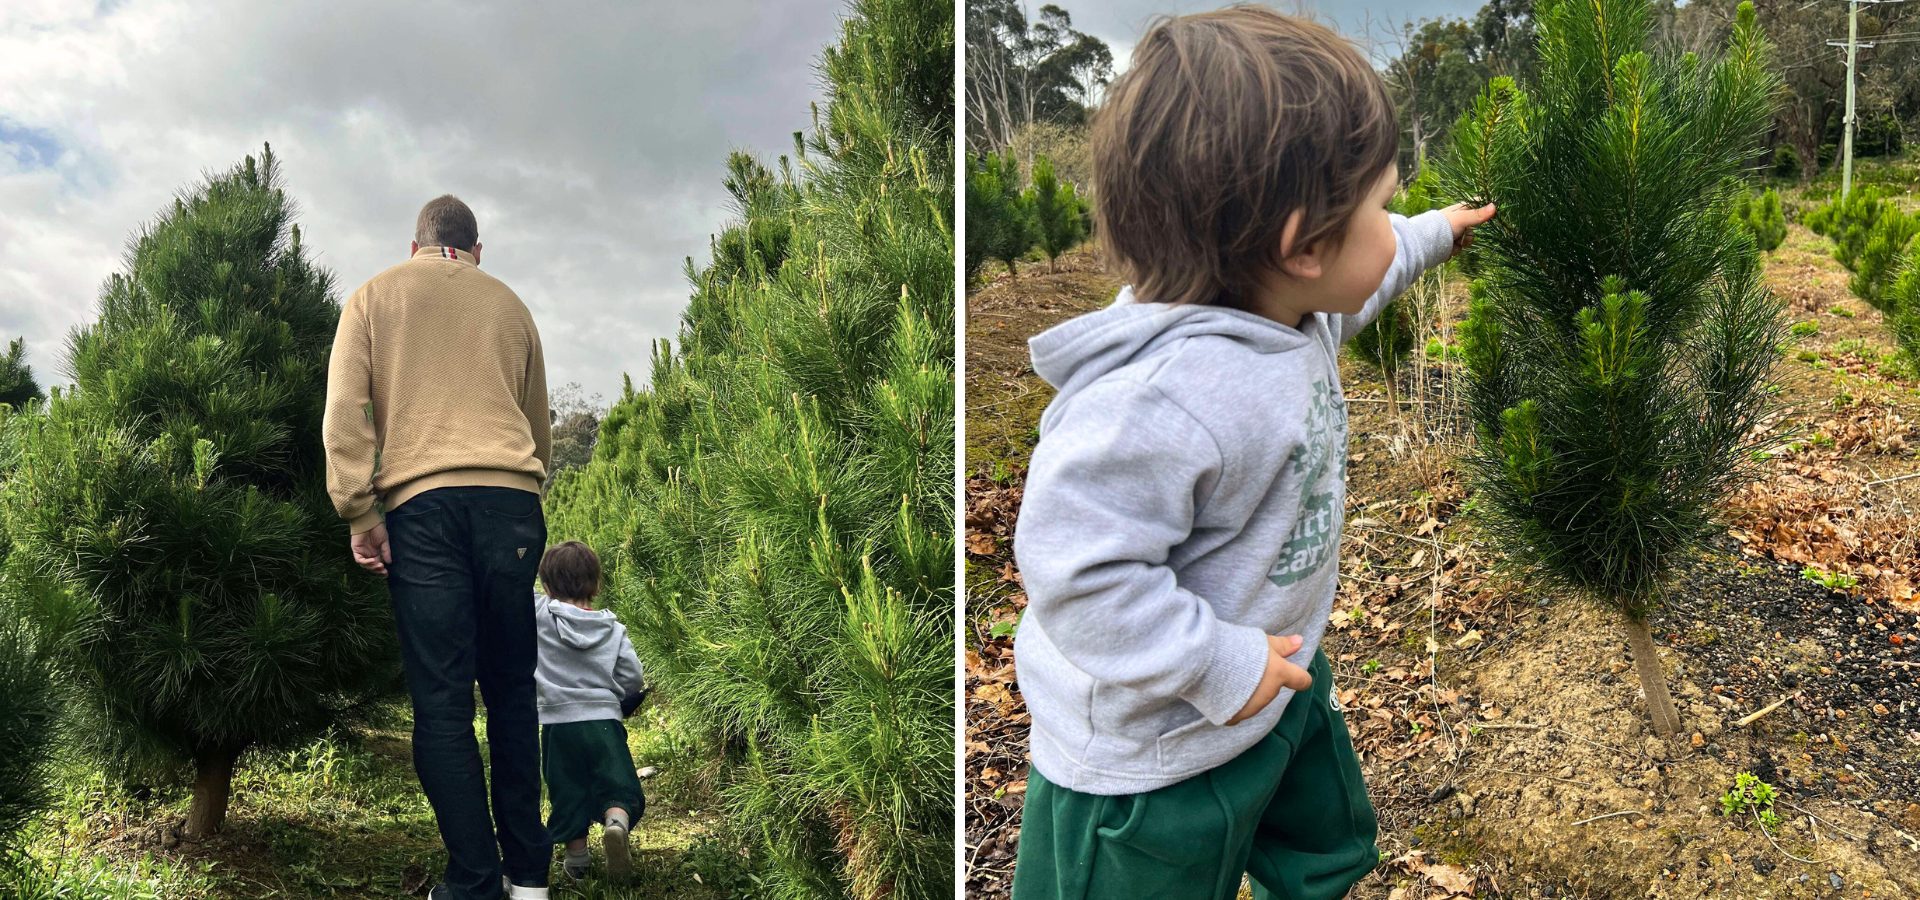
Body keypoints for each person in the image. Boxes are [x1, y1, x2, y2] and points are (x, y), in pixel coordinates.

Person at [1006, 8, 1495, 899]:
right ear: (1302, 245)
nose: (1394, 222)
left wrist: (1435, 232)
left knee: (1326, 848)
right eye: (1384, 205)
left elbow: (1373, 273)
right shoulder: (1159, 398)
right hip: (1153, 759)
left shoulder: (1291, 310)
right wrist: (1217, 666)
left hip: (1272, 679)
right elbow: (1078, 572)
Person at [322, 195, 552, 900]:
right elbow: (537, 421)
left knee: (444, 705)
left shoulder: (373, 297)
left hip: (424, 507)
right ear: (477, 251)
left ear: (414, 245)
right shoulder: (510, 305)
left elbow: (345, 413)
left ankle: (474, 880)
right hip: (511, 502)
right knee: (512, 693)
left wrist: (360, 511)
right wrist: (523, 498)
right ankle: (529, 875)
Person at [530, 540, 647, 882]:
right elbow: (632, 676)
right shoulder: (612, 628)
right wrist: (619, 697)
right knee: (616, 782)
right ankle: (616, 823)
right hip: (604, 722)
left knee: (567, 789)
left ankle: (578, 861)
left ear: (547, 586)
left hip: (557, 724)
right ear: (596, 585)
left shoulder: (540, 617)